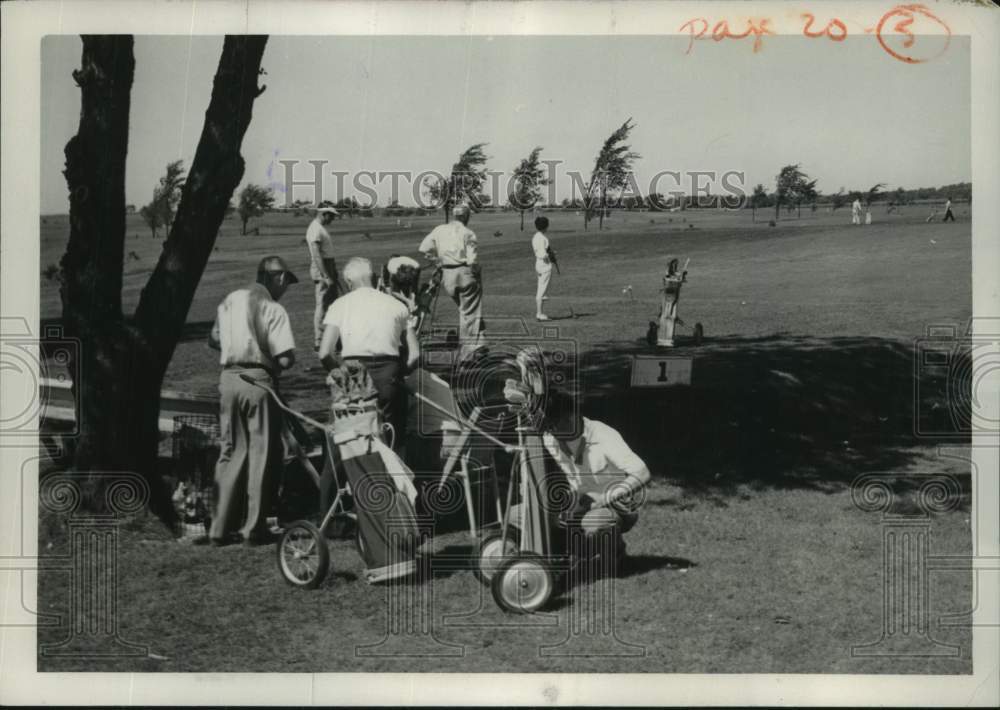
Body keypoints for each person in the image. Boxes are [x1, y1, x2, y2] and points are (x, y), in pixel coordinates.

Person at [208, 256, 298, 546]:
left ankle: (219, 527)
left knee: (230, 449)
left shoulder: (231, 299)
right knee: (260, 453)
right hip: (258, 379)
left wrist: (238, 344)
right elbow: (285, 358)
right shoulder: (273, 308)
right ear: (280, 278)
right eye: (286, 284)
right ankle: (253, 527)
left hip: (228, 379)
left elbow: (213, 339)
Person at [318, 257, 420, 452]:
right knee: (393, 439)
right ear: (374, 278)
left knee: (352, 440)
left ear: (348, 283)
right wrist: (400, 372)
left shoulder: (340, 305)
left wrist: (340, 375)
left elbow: (324, 353)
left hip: (353, 376)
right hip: (389, 375)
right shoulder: (397, 305)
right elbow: (414, 355)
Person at [418, 203, 485, 359]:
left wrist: (437, 260)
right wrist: (476, 272)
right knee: (469, 312)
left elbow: (424, 249)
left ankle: (480, 343)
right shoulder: (468, 233)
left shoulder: (439, 229)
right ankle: (469, 352)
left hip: (447, 275)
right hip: (464, 272)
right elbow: (472, 260)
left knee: (466, 311)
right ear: (466, 216)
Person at [306, 205, 340, 350]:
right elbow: (316, 255)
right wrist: (325, 275)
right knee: (322, 303)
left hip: (329, 266)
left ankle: (331, 338)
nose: (332, 219)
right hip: (322, 268)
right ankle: (318, 340)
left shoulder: (320, 228)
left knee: (332, 304)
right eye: (331, 216)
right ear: (324, 214)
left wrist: (333, 271)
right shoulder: (315, 229)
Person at [657, 256, 686, 347]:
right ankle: (662, 338)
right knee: (665, 314)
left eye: (676, 265)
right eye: (674, 265)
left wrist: (683, 275)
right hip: (668, 294)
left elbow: (680, 278)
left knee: (671, 315)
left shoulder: (676, 273)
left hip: (673, 294)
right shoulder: (668, 272)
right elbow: (667, 278)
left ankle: (668, 339)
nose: (675, 266)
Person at [531, 216, 553, 321]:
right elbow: (543, 254)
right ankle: (539, 314)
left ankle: (542, 298)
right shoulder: (543, 238)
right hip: (544, 265)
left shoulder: (536, 236)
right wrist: (551, 255)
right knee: (541, 290)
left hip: (538, 264)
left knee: (541, 287)